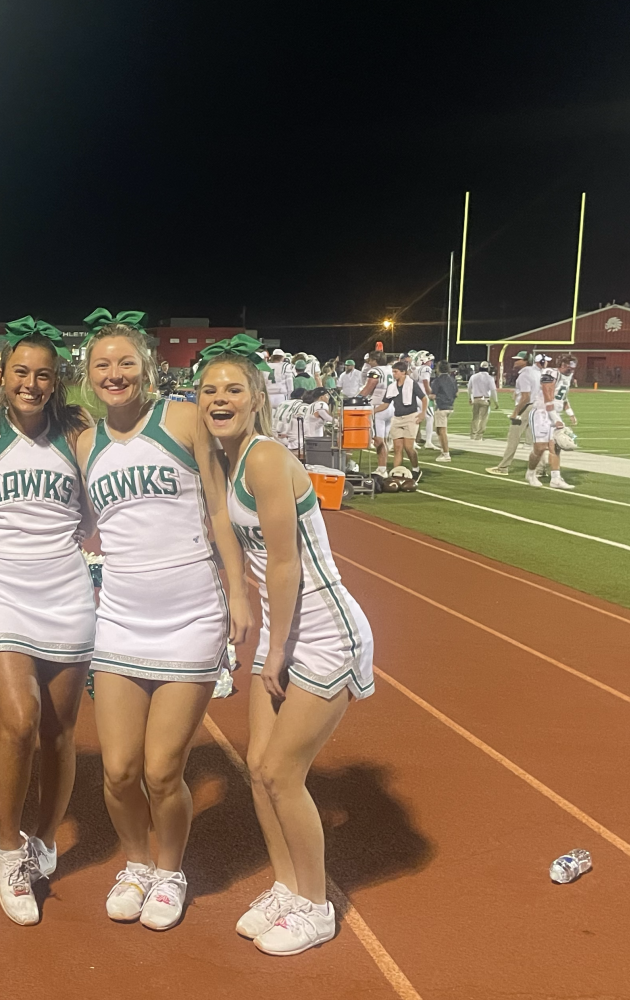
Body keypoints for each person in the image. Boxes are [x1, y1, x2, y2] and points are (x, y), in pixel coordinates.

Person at [198, 339, 374, 956]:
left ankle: (316, 906)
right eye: (209, 390)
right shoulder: (226, 460)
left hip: (323, 632)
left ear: (257, 399)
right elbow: (227, 535)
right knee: (256, 769)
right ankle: (286, 888)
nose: (220, 399)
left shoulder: (267, 458)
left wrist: (274, 652)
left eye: (233, 389)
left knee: (280, 772)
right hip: (284, 630)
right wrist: (246, 613)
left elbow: (284, 563)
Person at [78, 313, 247, 932]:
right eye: (103, 364)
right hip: (120, 617)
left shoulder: (180, 419)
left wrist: (239, 593)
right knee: (119, 769)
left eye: (126, 362)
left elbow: (220, 508)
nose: (115, 374)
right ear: (89, 375)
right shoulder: (84, 443)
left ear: (146, 368)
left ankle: (170, 871)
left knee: (161, 769)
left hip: (190, 613)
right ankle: (135, 863)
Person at [0, 315, 94, 926]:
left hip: (66, 592)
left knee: (60, 731)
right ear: (1, 375)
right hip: (4, 591)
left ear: (57, 380)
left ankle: (43, 841)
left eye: (44, 375)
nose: (31, 384)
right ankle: (8, 849)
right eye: (21, 372)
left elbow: (97, 499)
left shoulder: (76, 430)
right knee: (19, 721)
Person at [488, 352, 539, 474]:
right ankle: (540, 469)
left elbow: (526, 397)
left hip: (525, 408)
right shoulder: (536, 372)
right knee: (536, 441)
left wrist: (515, 412)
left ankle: (503, 467)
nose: (515, 361)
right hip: (536, 407)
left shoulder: (524, 375)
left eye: (518, 359)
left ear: (526, 361)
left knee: (513, 438)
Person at [525, 364, 575, 490]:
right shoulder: (550, 373)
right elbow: (548, 399)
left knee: (555, 447)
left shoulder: (566, 378)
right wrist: (556, 419)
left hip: (555, 414)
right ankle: (530, 473)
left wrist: (570, 413)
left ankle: (556, 479)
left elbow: (562, 398)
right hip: (541, 413)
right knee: (540, 448)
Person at [377, 359, 425, 478]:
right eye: (393, 372)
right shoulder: (392, 387)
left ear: (403, 372)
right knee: (397, 448)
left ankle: (416, 469)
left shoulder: (411, 383)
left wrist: (423, 413)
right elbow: (385, 404)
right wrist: (372, 411)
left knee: (409, 447)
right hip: (397, 418)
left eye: (396, 372)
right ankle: (396, 473)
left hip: (411, 417)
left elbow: (424, 398)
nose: (394, 374)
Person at [360, 353, 395, 472]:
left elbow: (368, 388)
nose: (369, 362)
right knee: (383, 440)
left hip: (378, 407)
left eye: (370, 360)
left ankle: (382, 469)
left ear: (375, 360)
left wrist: (355, 399)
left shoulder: (375, 371)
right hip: (390, 406)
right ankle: (382, 467)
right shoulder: (390, 369)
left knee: (378, 440)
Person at [429, 360, 458, 461]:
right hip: (450, 406)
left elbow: (432, 395)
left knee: (442, 431)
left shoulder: (437, 380)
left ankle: (446, 454)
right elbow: (456, 393)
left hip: (441, 407)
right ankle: (444, 450)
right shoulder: (452, 380)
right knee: (439, 430)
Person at [467, 362, 497, 440]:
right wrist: (496, 402)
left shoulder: (473, 377)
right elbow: (493, 390)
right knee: (483, 419)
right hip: (485, 400)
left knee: (475, 418)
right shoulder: (490, 378)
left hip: (475, 399)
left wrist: (470, 398)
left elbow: (469, 388)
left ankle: (473, 435)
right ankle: (479, 436)